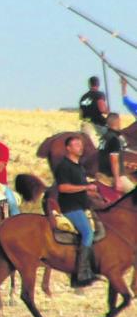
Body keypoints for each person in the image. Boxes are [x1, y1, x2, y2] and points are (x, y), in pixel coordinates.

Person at [55, 136, 102, 287]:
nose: (80, 148)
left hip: (83, 206)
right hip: (70, 207)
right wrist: (85, 188)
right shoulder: (64, 166)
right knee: (87, 233)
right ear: (68, 148)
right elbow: (62, 188)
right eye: (76, 145)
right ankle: (82, 274)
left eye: (80, 145)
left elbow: (82, 188)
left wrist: (93, 193)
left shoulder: (79, 167)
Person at [97, 112, 136, 194]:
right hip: (112, 176)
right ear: (118, 121)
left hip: (102, 173)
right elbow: (113, 160)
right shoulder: (114, 139)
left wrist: (124, 164)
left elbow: (104, 157)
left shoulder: (104, 137)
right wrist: (117, 179)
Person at [79, 76, 108, 147]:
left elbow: (81, 115)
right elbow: (102, 109)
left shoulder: (83, 97)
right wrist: (107, 110)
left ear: (89, 84)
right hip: (97, 123)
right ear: (98, 84)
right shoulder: (99, 95)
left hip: (85, 123)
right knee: (112, 136)